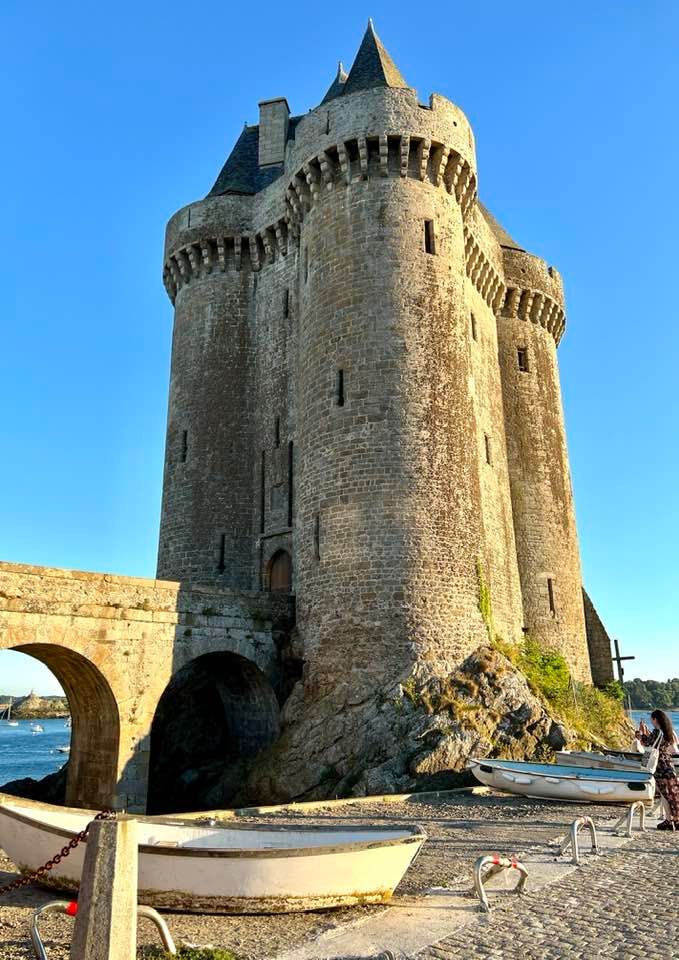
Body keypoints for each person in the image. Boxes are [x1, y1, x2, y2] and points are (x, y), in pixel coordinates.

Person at [637, 710, 679, 830]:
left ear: (655, 719)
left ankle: (668, 820)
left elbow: (648, 743)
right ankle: (675, 819)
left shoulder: (657, 731)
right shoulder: (667, 731)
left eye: (652, 719)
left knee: (665, 795)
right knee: (673, 794)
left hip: (660, 766)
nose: (651, 721)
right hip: (669, 765)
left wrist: (640, 735)